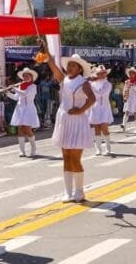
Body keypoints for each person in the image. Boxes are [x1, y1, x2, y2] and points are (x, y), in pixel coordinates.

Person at [44, 52, 96, 202]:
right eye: (69, 65)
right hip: (64, 119)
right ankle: (68, 192)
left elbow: (92, 99)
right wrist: (46, 53)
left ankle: (79, 191)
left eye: (74, 65)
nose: (70, 67)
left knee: (75, 157)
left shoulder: (83, 82)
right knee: (66, 156)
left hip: (77, 121)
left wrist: (80, 110)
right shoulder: (64, 79)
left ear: (80, 69)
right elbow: (53, 67)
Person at [7, 67, 39, 157]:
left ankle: (33, 148)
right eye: (24, 76)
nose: (25, 77)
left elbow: (25, 93)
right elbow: (16, 97)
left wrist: (14, 88)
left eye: (27, 75)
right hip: (20, 109)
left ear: (31, 77)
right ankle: (22, 151)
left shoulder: (33, 86)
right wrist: (7, 93)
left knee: (27, 129)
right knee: (20, 130)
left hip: (28, 109)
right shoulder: (21, 85)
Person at [89, 65, 114, 155]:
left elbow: (102, 93)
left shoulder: (108, 84)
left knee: (104, 127)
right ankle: (98, 149)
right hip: (95, 107)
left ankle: (108, 148)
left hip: (104, 108)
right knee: (96, 128)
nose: (101, 75)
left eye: (103, 73)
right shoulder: (92, 84)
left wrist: (92, 88)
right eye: (99, 73)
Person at [121, 67, 136, 135]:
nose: (131, 74)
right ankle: (124, 126)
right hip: (129, 99)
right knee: (127, 112)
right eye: (130, 73)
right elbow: (124, 90)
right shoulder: (127, 81)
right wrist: (124, 96)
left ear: (135, 74)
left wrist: (133, 86)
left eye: (132, 73)